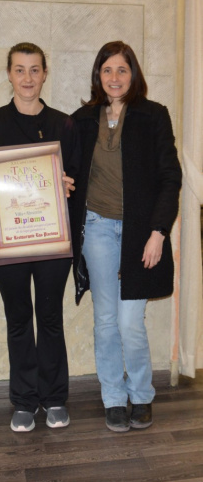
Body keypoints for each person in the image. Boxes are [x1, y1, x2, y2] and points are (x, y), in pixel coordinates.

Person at [0, 42, 80, 433]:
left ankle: (55, 398)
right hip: (7, 241)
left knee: (49, 318)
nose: (27, 78)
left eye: (34, 70)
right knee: (18, 319)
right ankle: (25, 402)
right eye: (19, 70)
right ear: (9, 74)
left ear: (45, 74)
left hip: (52, 242)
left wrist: (67, 185)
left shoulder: (65, 125)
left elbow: (80, 179)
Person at [71, 41, 182, 433]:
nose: (114, 78)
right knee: (105, 320)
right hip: (97, 229)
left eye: (122, 69)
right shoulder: (82, 119)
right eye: (107, 70)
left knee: (131, 322)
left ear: (133, 74)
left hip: (141, 233)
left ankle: (142, 394)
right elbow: (64, 169)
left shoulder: (154, 116)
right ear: (97, 76)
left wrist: (158, 232)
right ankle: (114, 398)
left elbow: (171, 177)